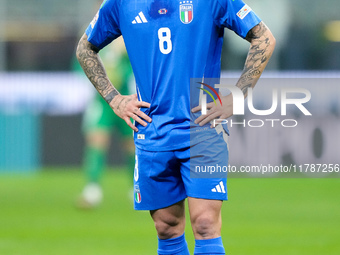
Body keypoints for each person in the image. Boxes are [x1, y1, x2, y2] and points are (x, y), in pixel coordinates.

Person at [76, 0, 275, 254]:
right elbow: (85, 48)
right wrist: (114, 99)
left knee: (205, 224)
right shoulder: (120, 3)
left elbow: (264, 38)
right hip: (152, 131)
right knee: (167, 227)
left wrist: (237, 96)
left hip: (203, 127)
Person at [74, 37, 135, 209]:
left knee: (132, 144)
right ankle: (92, 189)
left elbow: (137, 67)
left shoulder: (127, 39)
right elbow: (80, 63)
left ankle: (135, 188)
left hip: (127, 98)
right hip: (102, 101)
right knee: (96, 141)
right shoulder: (92, 38)